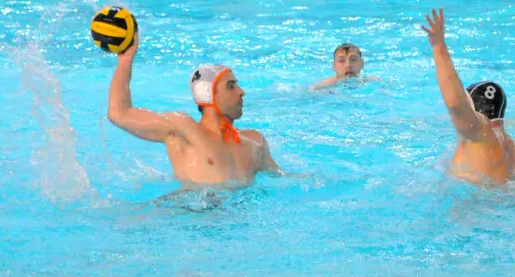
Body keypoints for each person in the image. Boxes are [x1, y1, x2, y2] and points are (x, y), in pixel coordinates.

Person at [107, 34, 281, 186]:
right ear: (208, 94)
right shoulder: (184, 131)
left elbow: (282, 179)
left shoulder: (254, 142)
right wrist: (126, 59)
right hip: (191, 210)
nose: (241, 91)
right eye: (231, 86)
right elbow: (119, 113)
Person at [421, 8, 515, 185]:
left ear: (473, 109)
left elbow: (455, 103)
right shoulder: (514, 150)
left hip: (471, 201)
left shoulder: (479, 130)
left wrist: (438, 46)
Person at [312, 43, 380, 88]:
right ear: (334, 65)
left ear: (362, 64)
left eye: (353, 59)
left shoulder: (374, 82)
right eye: (341, 61)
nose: (348, 65)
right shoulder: (321, 88)